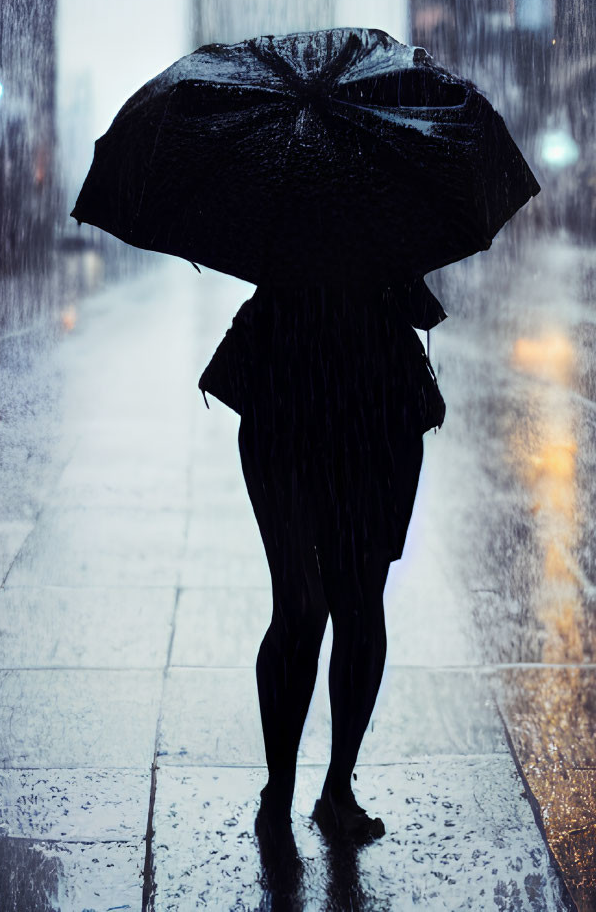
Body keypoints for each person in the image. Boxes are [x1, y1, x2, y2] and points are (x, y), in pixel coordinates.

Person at [199, 279, 447, 845]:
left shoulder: (382, 209)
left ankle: (336, 790)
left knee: (358, 612)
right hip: (285, 398)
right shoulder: (300, 204)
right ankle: (279, 789)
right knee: (302, 609)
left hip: (374, 410)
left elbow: (412, 290)